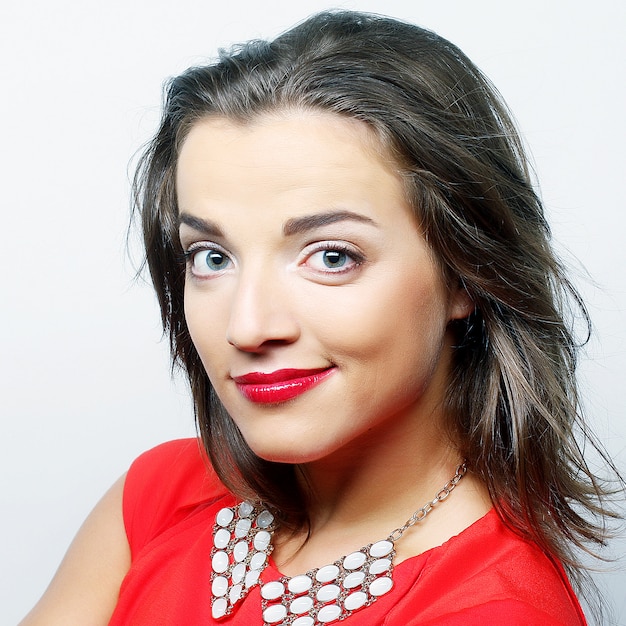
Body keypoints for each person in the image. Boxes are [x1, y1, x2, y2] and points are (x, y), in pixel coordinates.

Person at [19, 10, 622, 626]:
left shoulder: (491, 608)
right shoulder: (156, 495)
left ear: (464, 274)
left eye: (332, 256)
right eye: (212, 257)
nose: (247, 327)